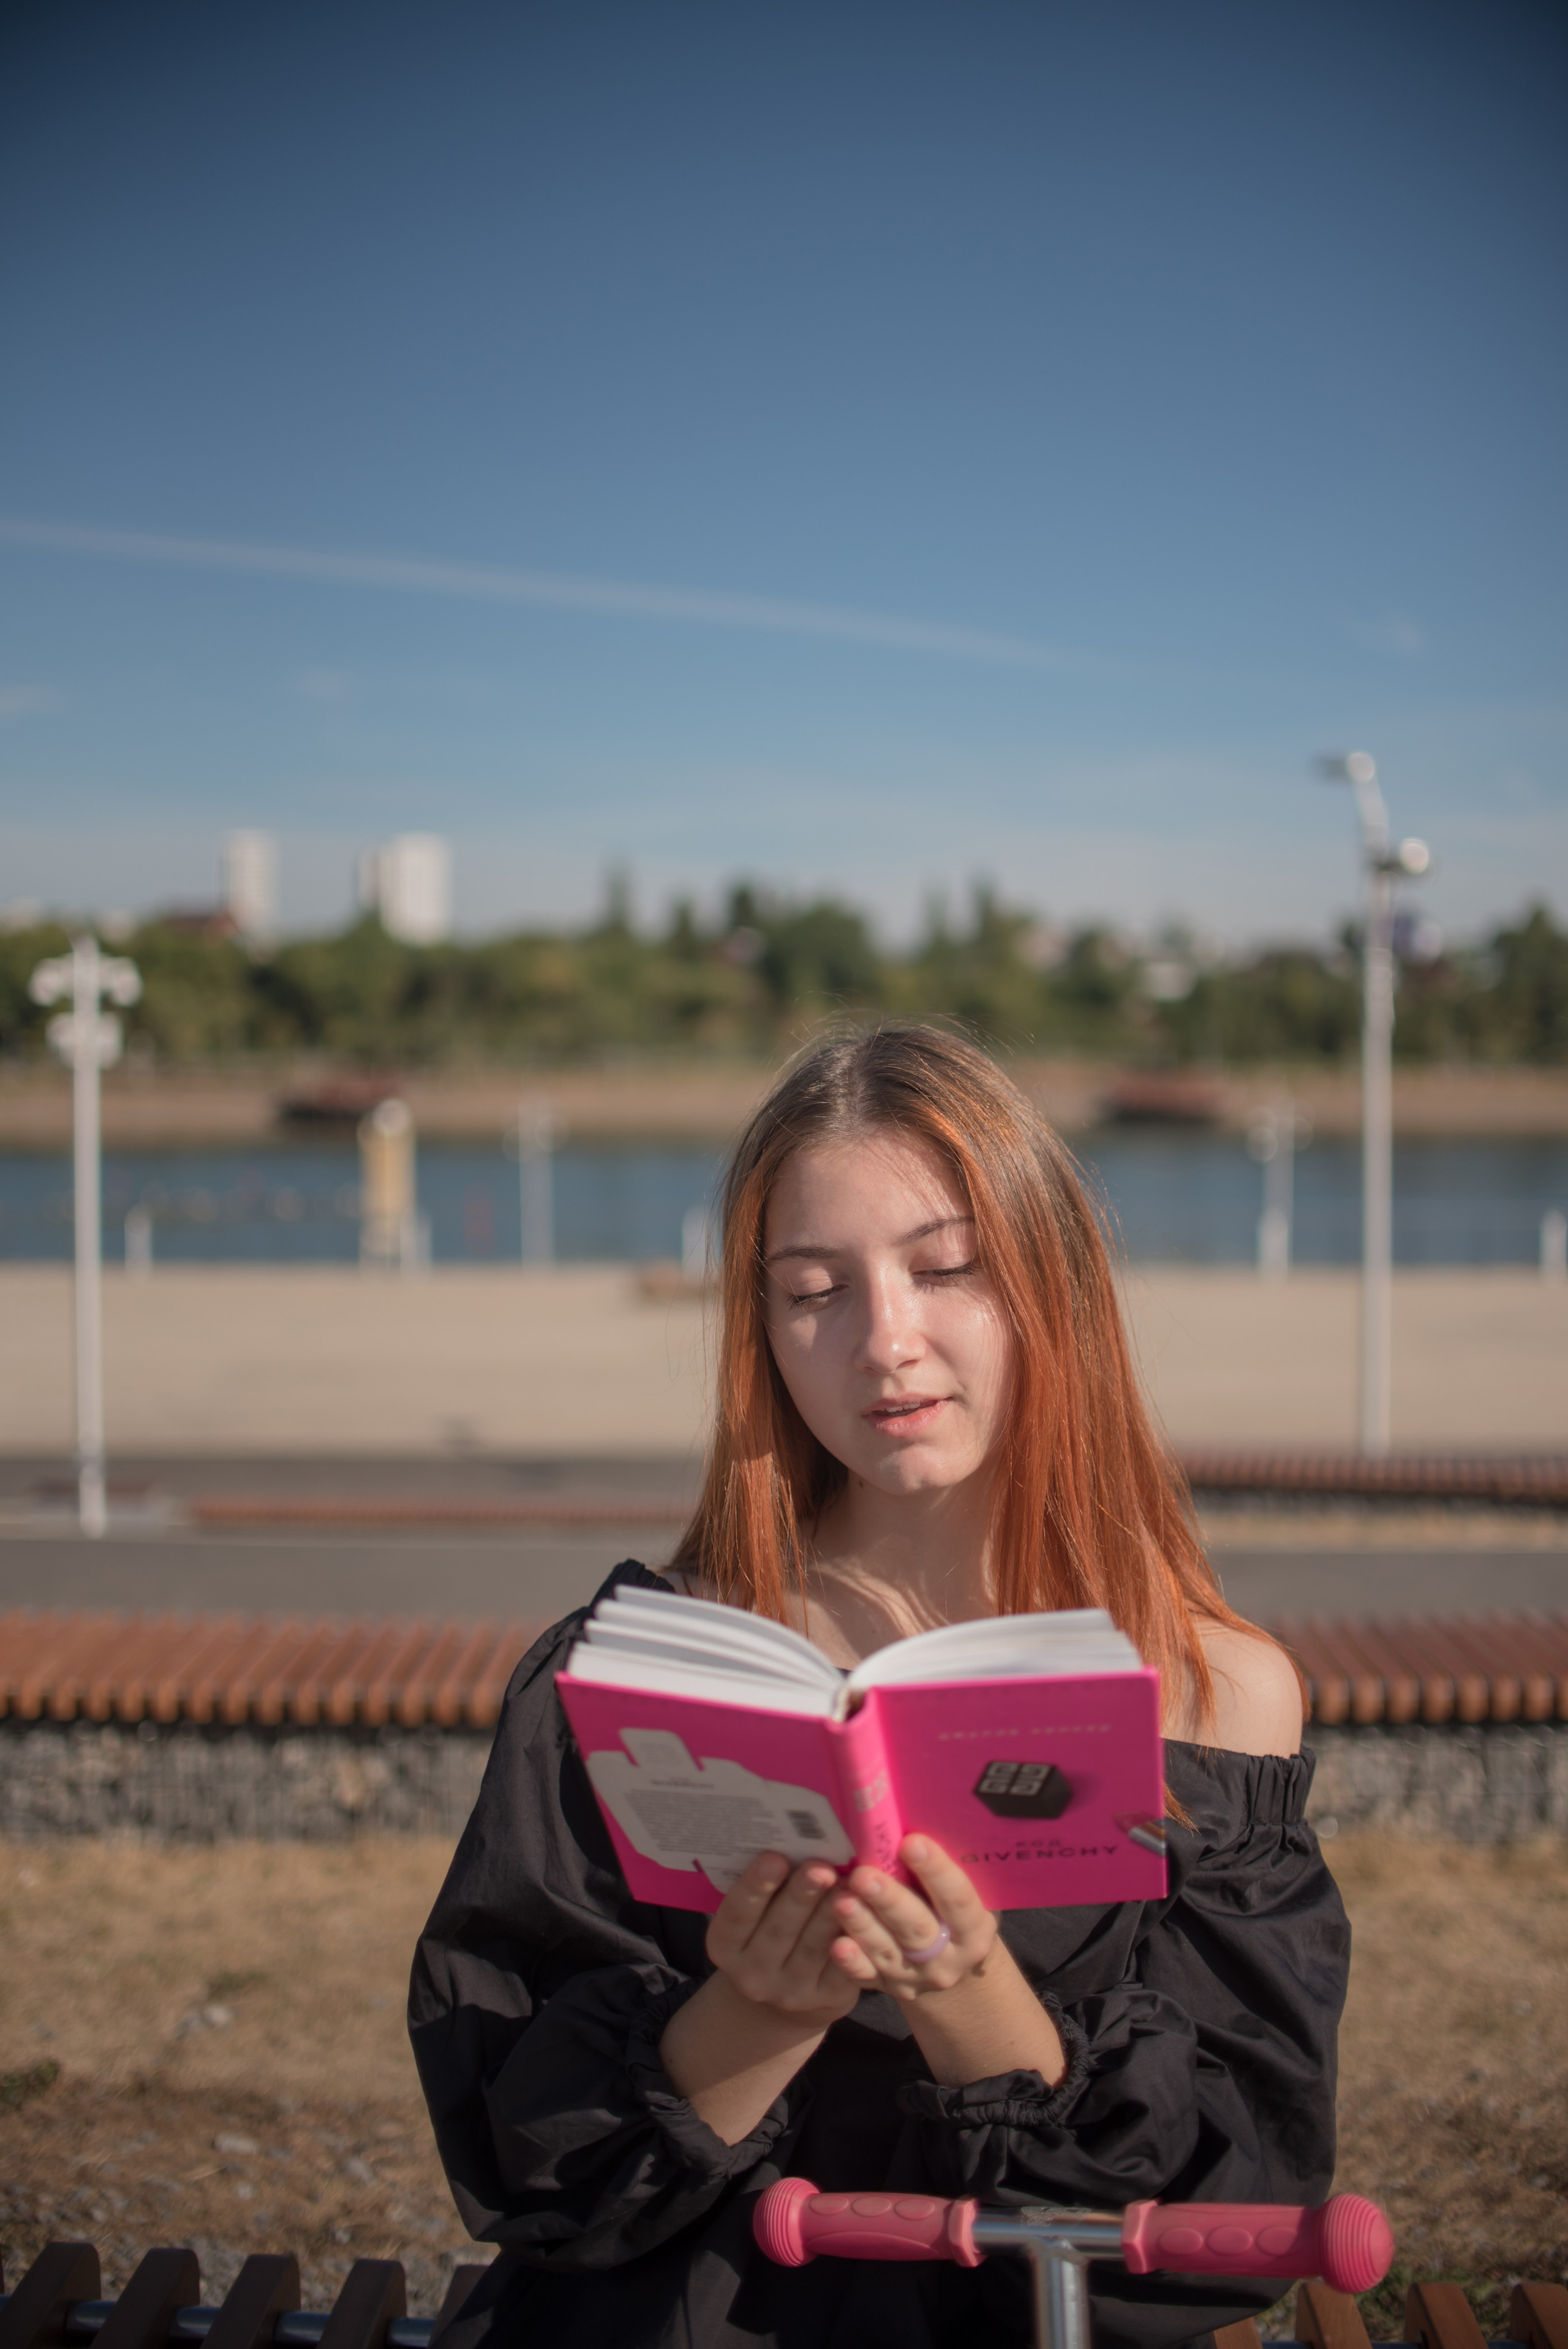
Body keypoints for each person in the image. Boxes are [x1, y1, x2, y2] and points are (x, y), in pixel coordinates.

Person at [410, 1025, 1349, 2349]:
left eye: (944, 1269)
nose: (882, 1341)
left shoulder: (1212, 1691)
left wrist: (961, 1988)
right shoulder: (634, 1669)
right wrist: (760, 2007)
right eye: (812, 1291)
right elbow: (525, 2165)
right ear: (764, 1334)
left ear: (1051, 1288)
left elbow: (1225, 2199)